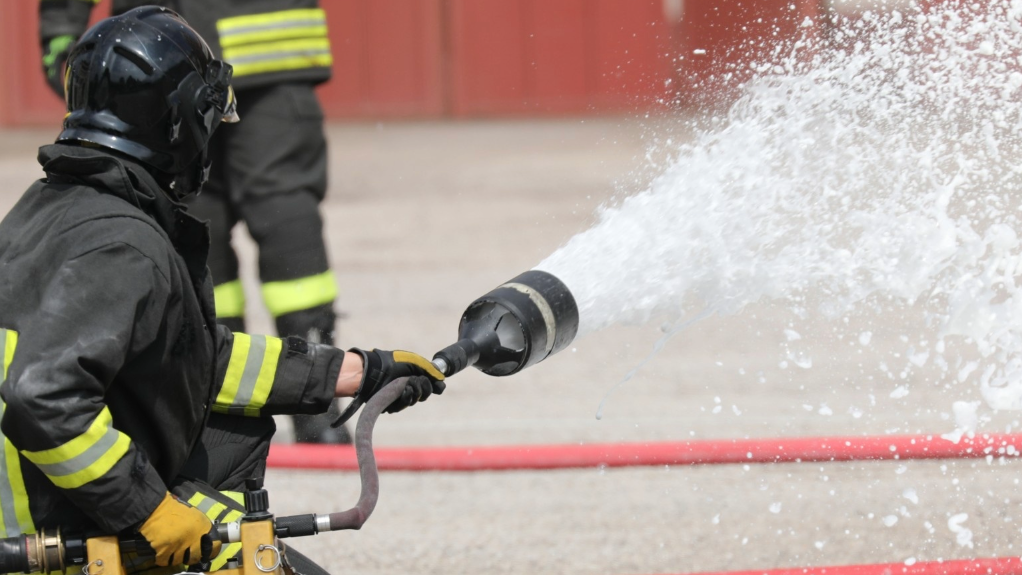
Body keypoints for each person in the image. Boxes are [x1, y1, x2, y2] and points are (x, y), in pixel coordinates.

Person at [1, 7, 444, 572]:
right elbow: (42, 398)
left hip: (63, 506)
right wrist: (149, 510)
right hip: (68, 534)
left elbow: (184, 356)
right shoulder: (121, 245)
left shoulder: (58, 210)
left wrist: (351, 371)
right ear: (179, 121)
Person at [40, 0, 348, 444]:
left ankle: (230, 409)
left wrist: (62, 40)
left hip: (166, 54)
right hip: (248, 42)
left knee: (210, 213)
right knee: (248, 213)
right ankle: (302, 405)